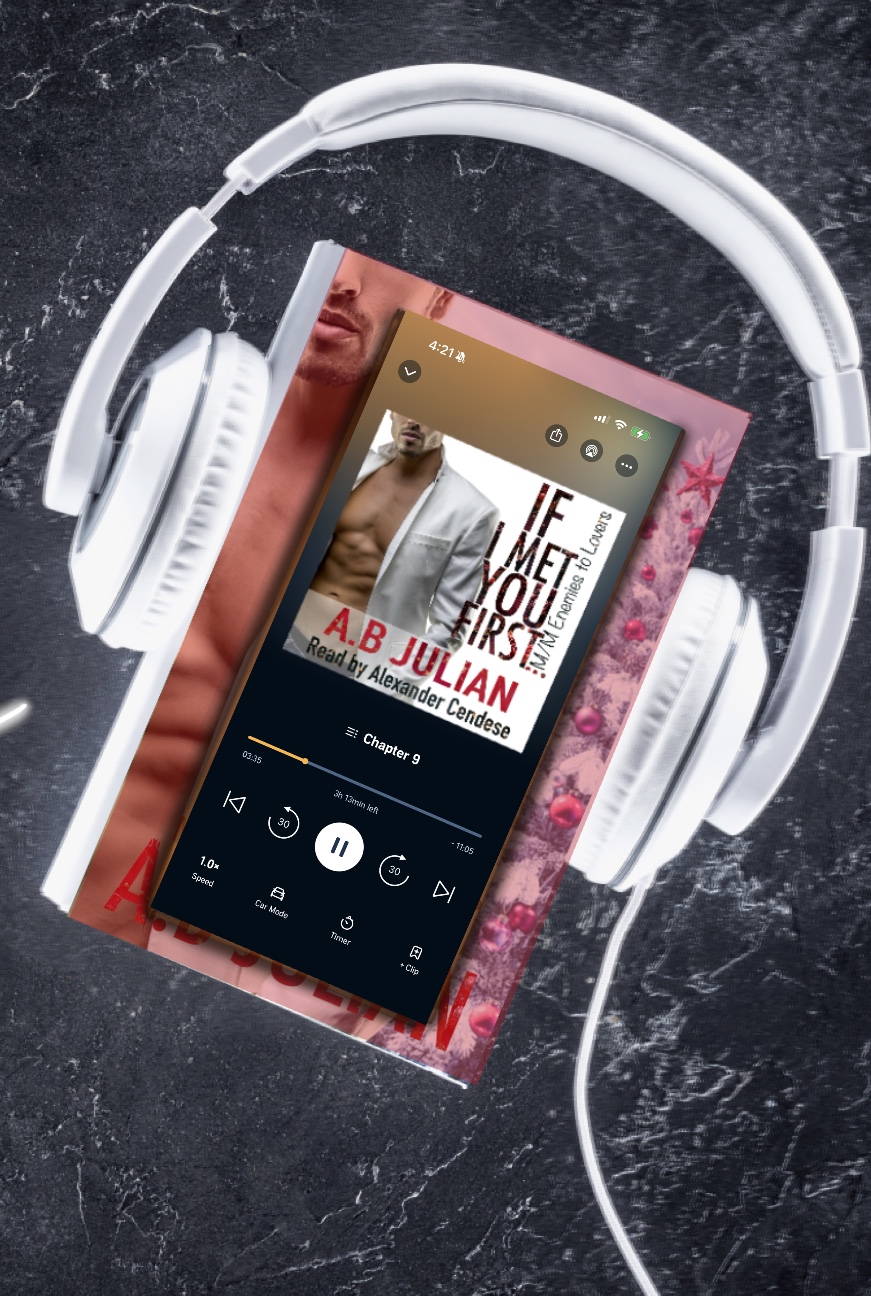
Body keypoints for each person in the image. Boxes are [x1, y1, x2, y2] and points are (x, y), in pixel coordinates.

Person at [70, 252, 453, 957]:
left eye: (392, 269)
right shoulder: (190, 460)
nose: (346, 284)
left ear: (438, 306)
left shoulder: (442, 528)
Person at [287, 411, 498, 660]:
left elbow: (450, 626)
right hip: (288, 636)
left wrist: (395, 681)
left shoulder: (472, 510)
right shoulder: (350, 462)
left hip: (358, 668)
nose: (414, 420)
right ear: (391, 412)